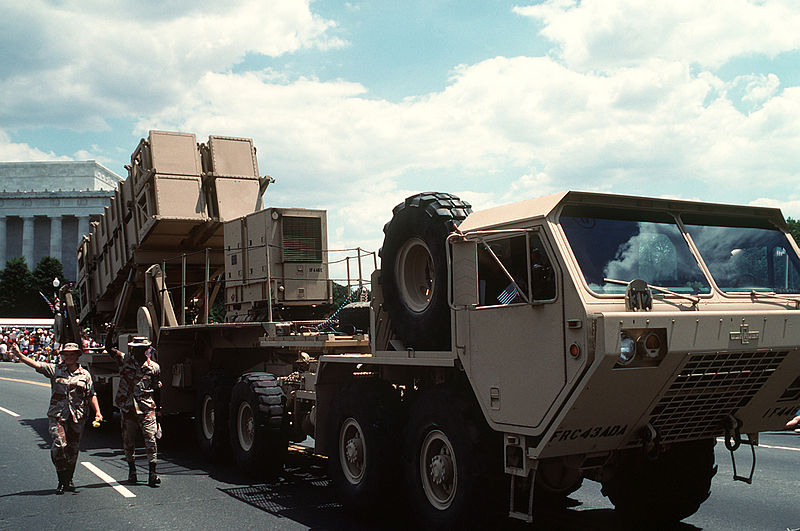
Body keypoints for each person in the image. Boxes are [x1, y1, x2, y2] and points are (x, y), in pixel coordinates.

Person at [11, 341, 102, 494]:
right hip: (58, 415)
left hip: (77, 416)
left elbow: (91, 394)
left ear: (78, 356)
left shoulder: (85, 375)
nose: (69, 357)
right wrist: (19, 355)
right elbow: (37, 365)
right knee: (59, 445)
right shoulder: (55, 370)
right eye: (66, 354)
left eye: (72, 354)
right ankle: (61, 480)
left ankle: (69, 479)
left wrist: (98, 412)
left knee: (73, 449)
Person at [104, 333, 162, 487]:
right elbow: (108, 348)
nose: (137, 351)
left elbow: (157, 388)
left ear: (146, 349)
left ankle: (152, 473)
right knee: (128, 441)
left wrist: (159, 409)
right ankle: (132, 471)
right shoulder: (124, 361)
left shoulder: (154, 367)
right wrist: (110, 332)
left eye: (141, 348)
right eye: (134, 349)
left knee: (151, 440)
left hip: (147, 407)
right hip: (128, 407)